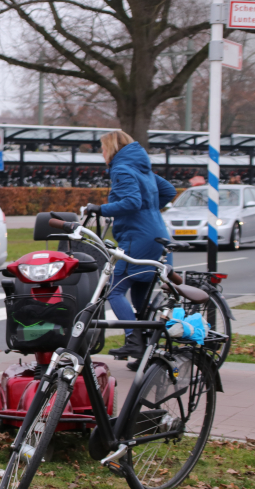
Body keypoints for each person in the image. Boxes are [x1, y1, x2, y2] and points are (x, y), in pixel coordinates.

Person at [85, 130, 176, 371]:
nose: (102, 153)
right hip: (156, 233)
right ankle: (145, 352)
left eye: (103, 148)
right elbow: (168, 191)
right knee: (139, 295)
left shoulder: (122, 169)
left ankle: (133, 340)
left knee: (114, 290)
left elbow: (132, 202)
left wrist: (100, 209)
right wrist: (149, 211)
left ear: (111, 148)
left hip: (137, 237)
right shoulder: (142, 168)